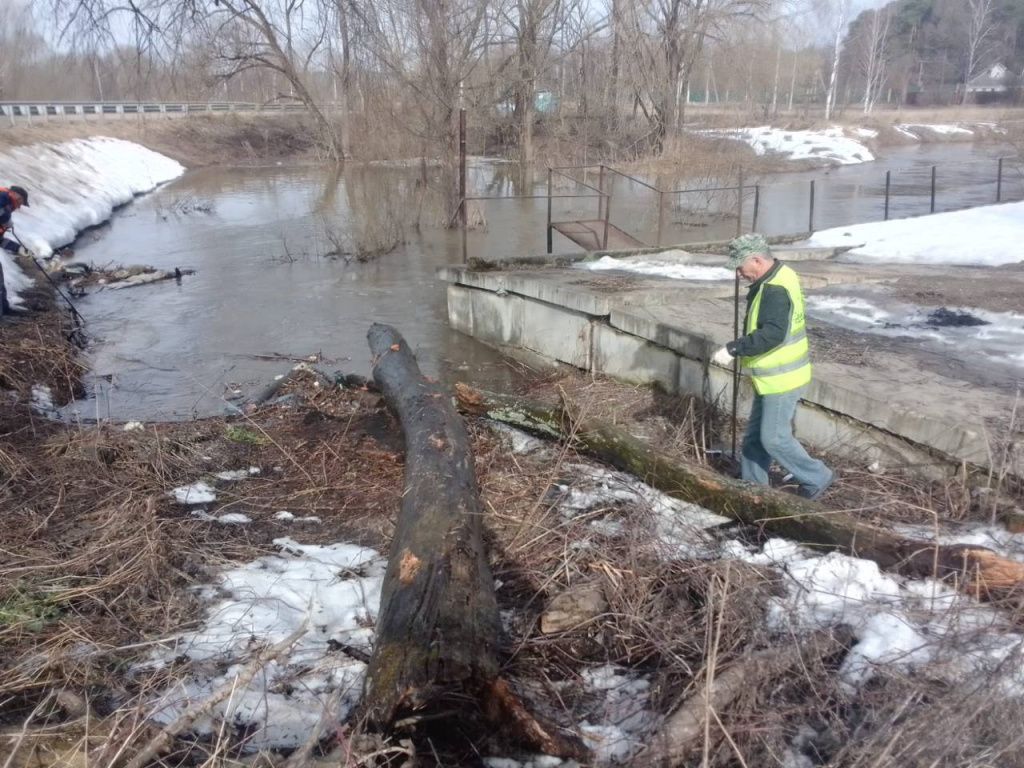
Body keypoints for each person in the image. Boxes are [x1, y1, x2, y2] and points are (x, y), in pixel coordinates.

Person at [712, 233, 833, 500]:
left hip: (782, 378)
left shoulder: (774, 290)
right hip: (771, 376)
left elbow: (773, 334)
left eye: (740, 267)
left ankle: (817, 477)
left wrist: (735, 348)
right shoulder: (780, 275)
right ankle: (753, 486)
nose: (738, 273)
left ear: (756, 260)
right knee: (755, 436)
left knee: (774, 438)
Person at [0, 185, 30, 315]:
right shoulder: (3, 197)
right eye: (20, 202)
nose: (18, 206)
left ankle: (5, 310)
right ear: (15, 195)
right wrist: (5, 219)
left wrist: (18, 249)